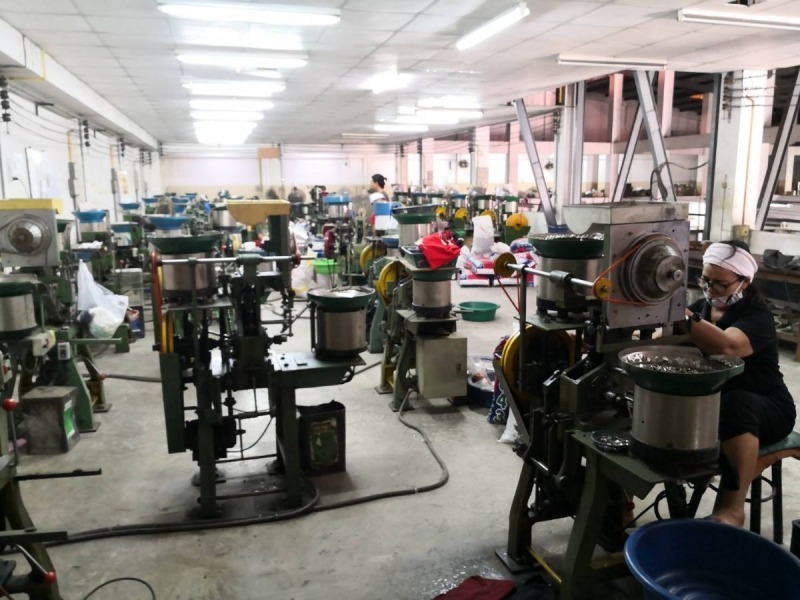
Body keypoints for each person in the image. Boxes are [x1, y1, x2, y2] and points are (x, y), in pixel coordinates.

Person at [686, 240, 796, 526]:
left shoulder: (758, 317)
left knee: (735, 402)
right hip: (719, 406)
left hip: (766, 406)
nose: (710, 289)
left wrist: (679, 314)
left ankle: (733, 509)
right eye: (705, 280)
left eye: (720, 284)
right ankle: (622, 507)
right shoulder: (700, 308)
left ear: (745, 282)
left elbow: (728, 346)